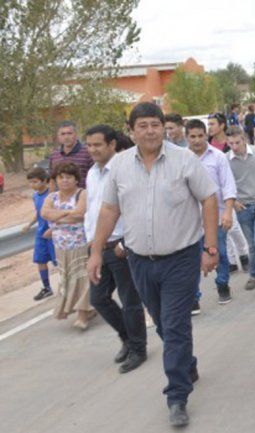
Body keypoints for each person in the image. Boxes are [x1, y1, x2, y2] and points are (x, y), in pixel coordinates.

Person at [87, 102, 219, 427]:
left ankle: (177, 396)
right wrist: (94, 251)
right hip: (139, 261)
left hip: (181, 258)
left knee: (174, 325)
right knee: (162, 323)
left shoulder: (184, 159)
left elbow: (209, 198)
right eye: (142, 125)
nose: (150, 131)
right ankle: (186, 363)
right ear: (131, 130)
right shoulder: (119, 166)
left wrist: (211, 247)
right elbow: (108, 210)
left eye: (155, 125)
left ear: (164, 128)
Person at [83, 124, 147, 373]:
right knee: (98, 298)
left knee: (130, 301)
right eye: (89, 145)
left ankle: (139, 349)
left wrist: (126, 243)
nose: (93, 150)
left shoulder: (125, 170)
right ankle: (127, 338)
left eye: (98, 144)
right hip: (98, 247)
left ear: (111, 145)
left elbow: (136, 208)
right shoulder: (91, 173)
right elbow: (93, 211)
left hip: (122, 247)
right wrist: (92, 244)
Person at [186, 119, 237, 305]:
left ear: (206, 135)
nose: (197, 140)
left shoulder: (217, 157)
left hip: (216, 219)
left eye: (200, 135)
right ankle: (193, 297)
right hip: (190, 221)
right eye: (192, 136)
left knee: (220, 254)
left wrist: (228, 212)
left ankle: (222, 284)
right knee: (191, 260)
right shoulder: (182, 159)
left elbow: (228, 186)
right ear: (187, 137)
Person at [41, 162, 94, 328]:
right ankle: (87, 309)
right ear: (56, 180)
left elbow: (80, 214)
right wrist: (66, 214)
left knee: (82, 279)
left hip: (80, 244)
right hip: (60, 246)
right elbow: (44, 213)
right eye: (61, 177)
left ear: (76, 179)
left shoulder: (82, 194)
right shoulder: (52, 197)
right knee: (67, 279)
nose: (64, 180)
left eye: (69, 177)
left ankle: (82, 315)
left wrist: (56, 217)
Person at [226, 125, 255, 294]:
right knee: (251, 245)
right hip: (242, 207)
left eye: (237, 142)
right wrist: (234, 202)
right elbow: (224, 184)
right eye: (230, 143)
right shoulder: (226, 160)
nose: (234, 147)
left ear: (244, 139)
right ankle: (253, 275)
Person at [22, 168, 57, 301]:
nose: (32, 185)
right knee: (40, 260)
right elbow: (38, 212)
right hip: (41, 232)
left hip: (53, 232)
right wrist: (29, 224)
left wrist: (54, 228)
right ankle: (47, 287)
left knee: (57, 261)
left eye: (35, 182)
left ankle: (67, 285)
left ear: (44, 181)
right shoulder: (35, 196)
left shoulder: (52, 194)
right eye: (30, 182)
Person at [48, 121, 94, 188]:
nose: (66, 137)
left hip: (84, 195)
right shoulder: (55, 155)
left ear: (76, 134)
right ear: (58, 136)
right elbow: (52, 179)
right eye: (62, 134)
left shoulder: (88, 152)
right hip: (61, 197)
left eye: (69, 133)